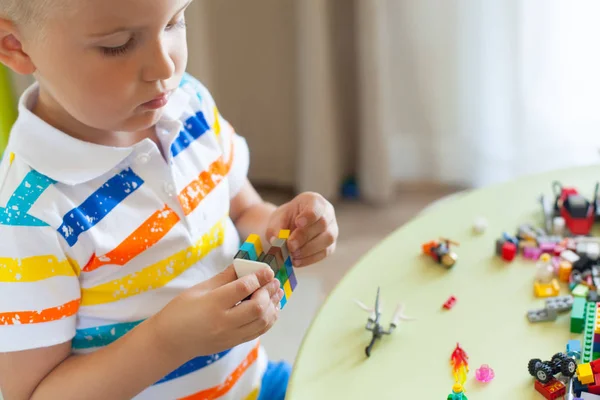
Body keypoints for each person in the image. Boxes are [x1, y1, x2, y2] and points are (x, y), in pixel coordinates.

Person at [0, 1, 339, 399]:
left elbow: (244, 209)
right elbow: (33, 394)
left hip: (253, 383)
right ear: (15, 47)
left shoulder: (188, 103)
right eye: (118, 45)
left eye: (175, 21)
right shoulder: (29, 218)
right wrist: (167, 341)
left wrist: (285, 225)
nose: (164, 67)